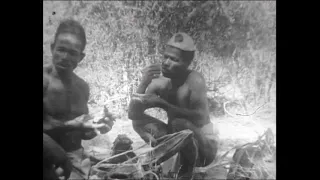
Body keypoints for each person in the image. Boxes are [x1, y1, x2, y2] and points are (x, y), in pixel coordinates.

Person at [128, 32, 219, 180]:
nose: (166, 62)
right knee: (139, 122)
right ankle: (163, 163)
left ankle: (184, 171)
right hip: (176, 140)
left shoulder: (194, 80)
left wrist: (162, 104)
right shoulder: (159, 82)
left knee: (179, 123)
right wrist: (143, 83)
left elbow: (201, 117)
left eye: (174, 59)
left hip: (203, 148)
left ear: (187, 63)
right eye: (165, 57)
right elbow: (133, 114)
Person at [43, 19, 113, 180]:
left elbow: (81, 134)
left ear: (81, 57)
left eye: (73, 53)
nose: (65, 57)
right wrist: (74, 125)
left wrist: (98, 128)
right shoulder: (44, 81)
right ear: (52, 48)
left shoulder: (82, 87)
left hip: (72, 156)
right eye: (61, 50)